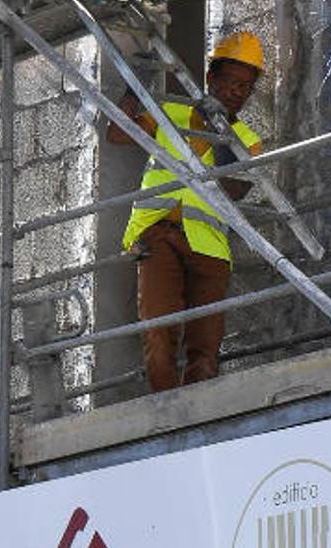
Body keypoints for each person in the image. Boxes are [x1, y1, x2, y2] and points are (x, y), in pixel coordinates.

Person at [106, 31, 266, 392]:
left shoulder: (249, 139)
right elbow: (117, 133)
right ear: (211, 78)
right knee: (159, 334)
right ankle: (167, 412)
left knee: (205, 349)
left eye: (246, 86)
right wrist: (139, 82)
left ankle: (198, 418)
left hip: (209, 251)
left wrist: (222, 132)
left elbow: (234, 189)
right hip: (157, 236)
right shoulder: (171, 113)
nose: (237, 92)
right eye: (231, 81)